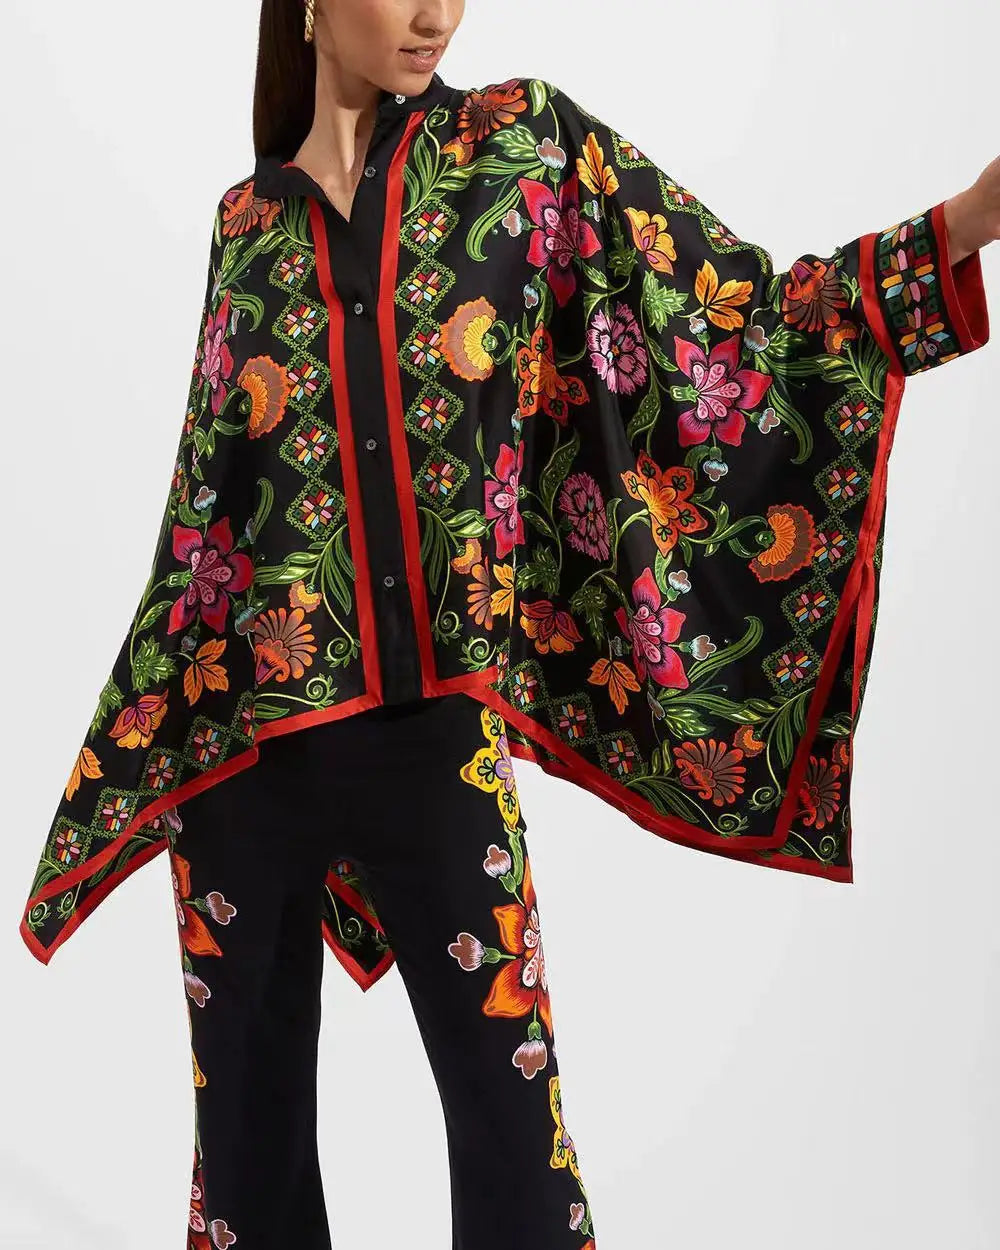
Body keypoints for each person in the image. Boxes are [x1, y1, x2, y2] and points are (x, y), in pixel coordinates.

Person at [18, 0, 997, 1245]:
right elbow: (204, 521)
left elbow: (727, 313)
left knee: (516, 1155)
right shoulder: (246, 224)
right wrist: (134, 761)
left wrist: (961, 224)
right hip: (245, 769)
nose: (436, 12)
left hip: (436, 747)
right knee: (247, 1169)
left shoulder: (520, 148)